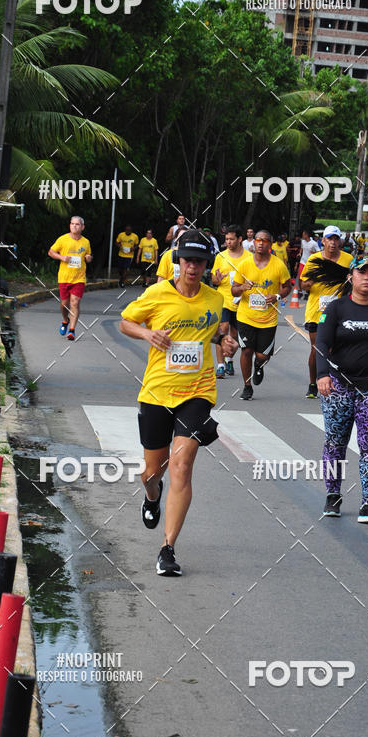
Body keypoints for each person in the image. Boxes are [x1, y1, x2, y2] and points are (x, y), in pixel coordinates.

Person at [119, 229, 237, 576]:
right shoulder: (157, 294)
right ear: (178, 261)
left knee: (182, 465)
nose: (193, 267)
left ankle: (167, 548)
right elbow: (126, 321)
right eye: (187, 260)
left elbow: (217, 331)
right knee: (152, 472)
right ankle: (152, 496)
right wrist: (147, 333)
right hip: (156, 392)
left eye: (199, 262)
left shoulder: (215, 300)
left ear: (206, 265)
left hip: (198, 392)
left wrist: (226, 344)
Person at [316, 254, 368, 523]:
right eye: (362, 272)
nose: (367, 277)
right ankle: (332, 495)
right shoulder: (336, 308)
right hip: (338, 388)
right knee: (335, 443)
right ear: (351, 276)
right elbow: (321, 344)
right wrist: (322, 375)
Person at [231, 230, 291, 401]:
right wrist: (242, 288)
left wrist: (277, 296)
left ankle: (259, 365)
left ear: (270, 244)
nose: (261, 243)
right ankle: (247, 386)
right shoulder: (244, 264)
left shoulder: (278, 265)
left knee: (262, 356)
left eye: (265, 240)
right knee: (247, 350)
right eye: (258, 240)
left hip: (268, 318)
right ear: (254, 243)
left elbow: (287, 286)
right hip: (245, 316)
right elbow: (233, 289)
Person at [300, 226, 353, 398]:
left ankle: (336, 382)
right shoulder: (314, 259)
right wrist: (315, 279)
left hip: (341, 312)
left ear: (340, 241)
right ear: (323, 241)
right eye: (329, 239)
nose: (333, 242)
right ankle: (313, 383)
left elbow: (355, 282)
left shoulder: (348, 259)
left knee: (337, 349)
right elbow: (303, 284)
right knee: (317, 349)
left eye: (336, 239)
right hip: (317, 311)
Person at [211, 224, 247, 379]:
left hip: (241, 301)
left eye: (232, 239)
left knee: (236, 334)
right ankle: (220, 366)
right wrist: (216, 279)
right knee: (222, 329)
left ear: (240, 239)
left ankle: (229, 359)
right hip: (223, 299)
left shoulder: (249, 258)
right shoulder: (221, 256)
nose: (228, 242)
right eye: (226, 239)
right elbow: (213, 278)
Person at [48, 216, 92, 341]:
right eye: (72, 224)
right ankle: (65, 320)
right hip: (64, 277)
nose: (74, 226)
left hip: (79, 278)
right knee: (64, 304)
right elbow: (51, 252)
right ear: (69, 225)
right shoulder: (63, 239)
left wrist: (89, 257)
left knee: (75, 302)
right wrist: (61, 258)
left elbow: (88, 254)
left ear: (82, 227)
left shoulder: (86, 242)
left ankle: (72, 330)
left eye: (77, 224)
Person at [298, 230, 320, 296]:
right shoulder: (302, 241)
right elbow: (301, 248)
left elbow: (319, 252)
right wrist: (299, 253)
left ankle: (308, 292)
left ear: (306, 235)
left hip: (310, 263)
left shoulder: (314, 243)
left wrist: (313, 253)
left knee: (309, 278)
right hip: (302, 261)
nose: (302, 236)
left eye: (303, 235)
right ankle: (300, 291)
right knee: (300, 277)